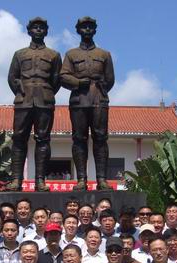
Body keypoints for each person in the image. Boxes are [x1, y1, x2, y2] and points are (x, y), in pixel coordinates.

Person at [6, 17, 61, 191]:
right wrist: (22, 90)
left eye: (41, 28)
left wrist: (45, 92)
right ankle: (16, 180)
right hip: (24, 100)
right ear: (29, 31)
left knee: (43, 139)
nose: (38, 30)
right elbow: (12, 77)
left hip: (44, 100)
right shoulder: (20, 54)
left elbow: (56, 80)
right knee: (19, 138)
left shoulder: (54, 55)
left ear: (46, 31)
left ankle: (40, 180)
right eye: (35, 27)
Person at [61, 17, 115, 191]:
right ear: (78, 30)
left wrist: (101, 88)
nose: (87, 30)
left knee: (101, 138)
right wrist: (78, 83)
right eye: (84, 27)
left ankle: (102, 179)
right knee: (79, 139)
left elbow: (110, 79)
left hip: (99, 99)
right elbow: (63, 76)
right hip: (79, 100)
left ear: (95, 30)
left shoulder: (104, 54)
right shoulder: (71, 54)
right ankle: (81, 179)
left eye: (90, 27)